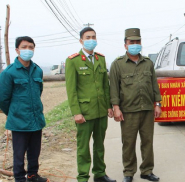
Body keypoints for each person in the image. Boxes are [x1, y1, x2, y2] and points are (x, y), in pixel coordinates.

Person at [109, 28, 162, 182]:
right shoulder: (117, 64)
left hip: (146, 109)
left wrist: (157, 104)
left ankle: (146, 171)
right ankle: (128, 172)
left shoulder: (148, 63)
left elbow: (154, 85)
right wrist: (116, 108)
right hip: (128, 111)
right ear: (125, 45)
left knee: (147, 141)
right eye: (131, 42)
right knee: (128, 143)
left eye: (137, 41)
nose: (135, 44)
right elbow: (114, 89)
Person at [65, 27, 116, 182]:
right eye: (88, 37)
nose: (91, 40)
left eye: (93, 37)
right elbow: (71, 90)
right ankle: (83, 177)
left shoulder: (100, 58)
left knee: (99, 145)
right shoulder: (73, 61)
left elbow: (105, 85)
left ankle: (100, 174)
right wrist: (76, 112)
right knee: (83, 148)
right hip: (85, 112)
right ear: (81, 40)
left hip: (101, 111)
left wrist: (109, 105)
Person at [0, 36, 49, 182]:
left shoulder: (37, 70)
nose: (28, 50)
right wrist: (14, 112)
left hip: (36, 120)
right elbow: (1, 99)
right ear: (17, 50)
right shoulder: (9, 73)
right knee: (19, 154)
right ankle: (19, 178)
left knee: (34, 152)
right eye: (24, 47)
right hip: (19, 122)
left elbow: (39, 92)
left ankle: (32, 175)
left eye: (31, 47)